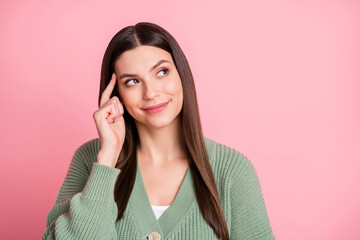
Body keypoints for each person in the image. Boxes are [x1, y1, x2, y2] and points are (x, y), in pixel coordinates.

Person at [41, 22, 275, 240]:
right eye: (132, 81)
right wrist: (107, 160)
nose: (151, 93)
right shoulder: (91, 159)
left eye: (162, 72)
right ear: (116, 95)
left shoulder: (232, 170)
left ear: (181, 74)